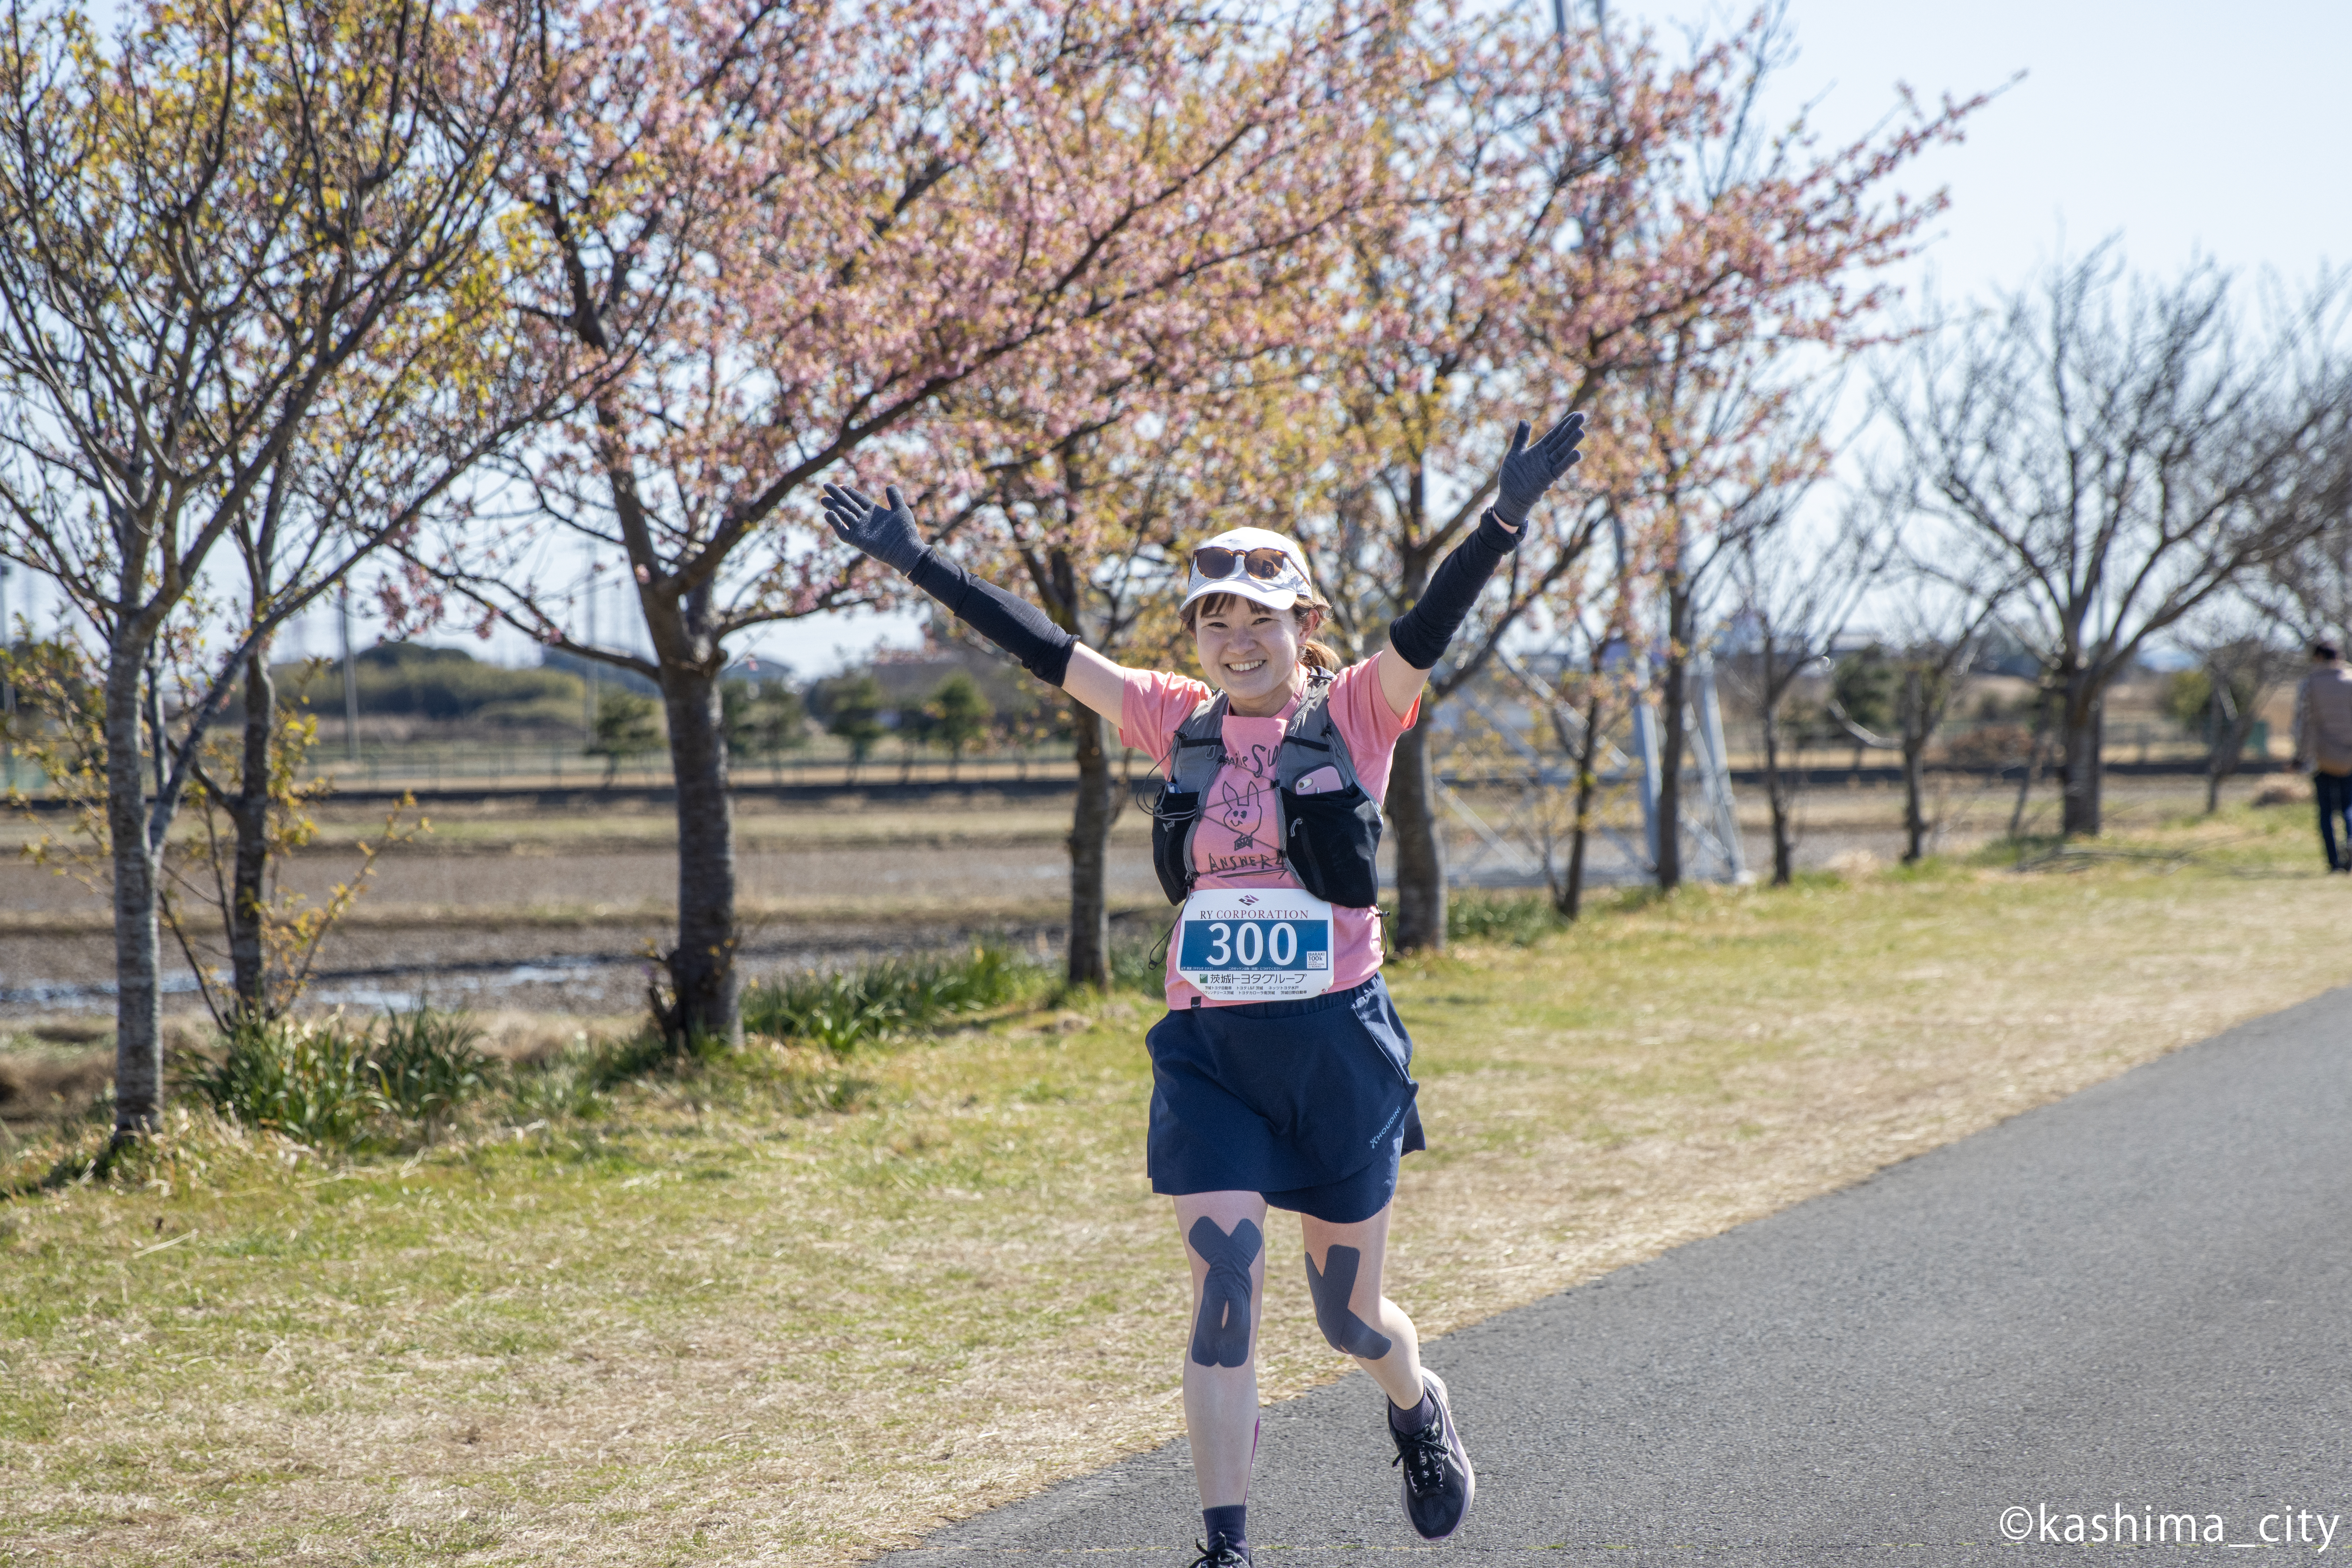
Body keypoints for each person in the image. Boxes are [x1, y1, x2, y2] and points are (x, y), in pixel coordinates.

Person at [820, 411, 1587, 1565]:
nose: (1236, 639)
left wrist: (1504, 517)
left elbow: (1431, 624)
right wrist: (924, 563)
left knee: (1349, 1320)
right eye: (1214, 618)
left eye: (1260, 618)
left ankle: (1417, 1405)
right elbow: (1046, 649)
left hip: (1336, 1051)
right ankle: (1225, 1549)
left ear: (1305, 626)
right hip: (1213, 1054)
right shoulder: (1173, 720)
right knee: (1226, 1288)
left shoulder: (1358, 713)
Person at [2291, 640, 2352, 873]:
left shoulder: (2311, 685)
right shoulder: (2350, 681)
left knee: (2326, 810)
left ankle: (2334, 862)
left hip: (2322, 756)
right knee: (2349, 806)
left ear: (2318, 658)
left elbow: (2303, 724)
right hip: (2350, 756)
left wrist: (2300, 757)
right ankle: (2351, 844)